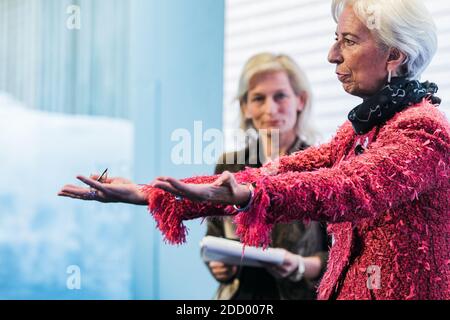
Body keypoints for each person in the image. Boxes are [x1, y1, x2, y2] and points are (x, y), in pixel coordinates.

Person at [59, 0, 450, 300]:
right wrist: (149, 193)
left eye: (347, 41)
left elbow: (349, 188)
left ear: (395, 56)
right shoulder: (360, 131)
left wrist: (252, 195)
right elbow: (280, 173)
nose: (333, 55)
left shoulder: (422, 130)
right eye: (337, 39)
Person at [205, 53, 329, 300]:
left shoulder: (323, 164)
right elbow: (214, 236)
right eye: (258, 98)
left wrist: (302, 265)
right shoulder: (230, 165)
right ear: (245, 107)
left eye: (280, 96)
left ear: (300, 100)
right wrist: (220, 267)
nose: (270, 109)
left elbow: (340, 252)